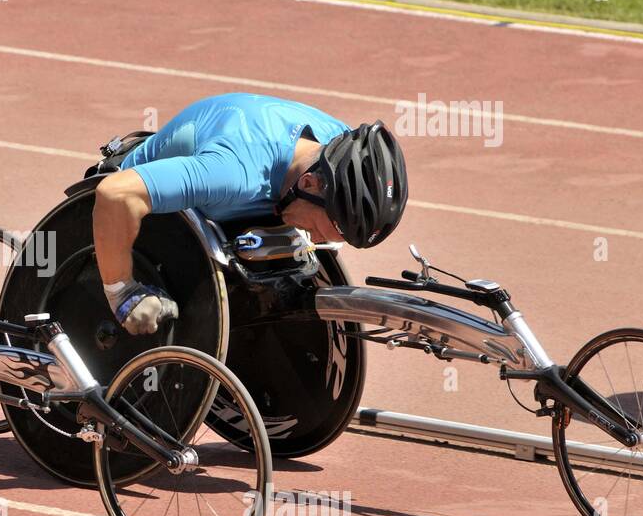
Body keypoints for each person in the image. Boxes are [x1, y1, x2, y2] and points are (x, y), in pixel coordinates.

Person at [93, 92, 408, 335]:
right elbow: (113, 194)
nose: (325, 241)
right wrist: (121, 291)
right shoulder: (232, 173)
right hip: (134, 228)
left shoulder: (335, 146)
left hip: (225, 203)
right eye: (330, 228)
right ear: (309, 183)